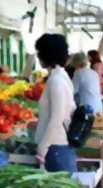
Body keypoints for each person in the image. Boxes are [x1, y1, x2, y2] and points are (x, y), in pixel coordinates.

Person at [34, 34, 77, 173]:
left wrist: (43, 147)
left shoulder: (56, 81)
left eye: (39, 52)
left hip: (54, 148)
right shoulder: (60, 76)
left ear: (46, 54)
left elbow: (57, 118)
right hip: (57, 146)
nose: (37, 55)